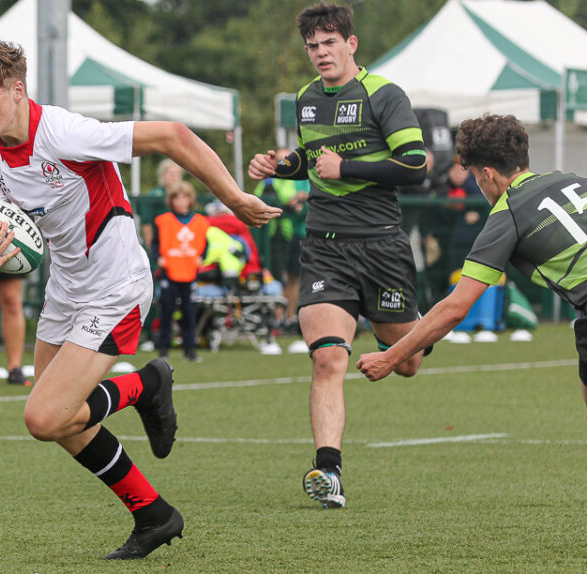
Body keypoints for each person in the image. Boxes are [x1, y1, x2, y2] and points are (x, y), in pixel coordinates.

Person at [0, 38, 278, 560]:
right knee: (62, 420)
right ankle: (153, 515)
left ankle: (145, 384)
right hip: (65, 290)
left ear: (18, 90)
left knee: (44, 417)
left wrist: (235, 199)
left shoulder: (61, 131)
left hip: (116, 287)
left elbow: (173, 135)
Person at [248, 2, 429, 509]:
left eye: (329, 43)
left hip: (382, 246)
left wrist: (346, 167)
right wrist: (283, 164)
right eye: (312, 46)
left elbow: (415, 165)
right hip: (325, 246)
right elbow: (311, 158)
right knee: (329, 358)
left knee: (408, 362)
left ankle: (418, 331)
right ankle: (329, 472)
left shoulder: (384, 94)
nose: (320, 53)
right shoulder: (306, 98)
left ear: (351, 44)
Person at [358, 114, 587, 412]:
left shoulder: (508, 214)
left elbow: (455, 309)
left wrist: (390, 357)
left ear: (488, 175)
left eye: (476, 177)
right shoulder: (574, 181)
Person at [151, 182, 209, 362]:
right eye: (177, 197)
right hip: (170, 272)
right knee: (166, 311)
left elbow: (205, 245)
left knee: (189, 313)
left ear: (190, 200)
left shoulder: (200, 222)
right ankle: (163, 349)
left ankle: (190, 350)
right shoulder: (163, 220)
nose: (181, 201)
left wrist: (202, 257)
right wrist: (158, 257)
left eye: (185, 197)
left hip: (190, 272)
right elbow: (155, 244)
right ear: (171, 200)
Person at [259, 147, 309, 323]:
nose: (284, 163)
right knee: (276, 276)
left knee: (294, 277)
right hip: (275, 236)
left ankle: (289, 317)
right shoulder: (270, 179)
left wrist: (297, 201)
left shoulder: (300, 177)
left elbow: (298, 202)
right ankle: (277, 318)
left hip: (296, 235)